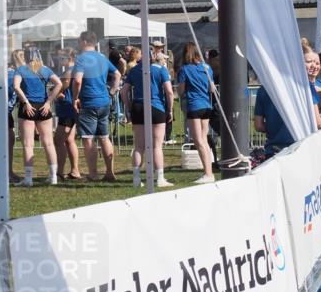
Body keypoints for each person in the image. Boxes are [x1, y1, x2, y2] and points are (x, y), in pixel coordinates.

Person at [122, 49, 175, 188]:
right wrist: (170, 109)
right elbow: (169, 91)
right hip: (156, 107)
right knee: (157, 146)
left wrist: (128, 108)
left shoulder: (134, 70)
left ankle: (136, 178)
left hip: (138, 107)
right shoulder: (161, 69)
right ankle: (160, 178)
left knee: (139, 146)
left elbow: (123, 91)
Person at [72, 31, 119, 182]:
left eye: (79, 41)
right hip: (104, 101)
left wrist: (75, 98)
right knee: (105, 138)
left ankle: (93, 173)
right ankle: (110, 172)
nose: (78, 43)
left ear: (85, 41)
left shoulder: (81, 59)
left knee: (88, 139)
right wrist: (112, 91)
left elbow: (78, 81)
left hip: (88, 102)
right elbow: (117, 73)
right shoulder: (102, 57)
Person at [11, 49, 63, 186]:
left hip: (28, 107)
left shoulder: (21, 69)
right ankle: (53, 177)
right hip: (43, 107)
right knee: (49, 143)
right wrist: (48, 102)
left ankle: (28, 179)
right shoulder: (45, 69)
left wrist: (26, 102)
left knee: (28, 145)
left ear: (26, 57)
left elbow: (16, 87)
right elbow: (59, 84)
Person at [176, 42, 215, 184]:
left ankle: (208, 173)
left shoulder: (184, 70)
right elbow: (211, 89)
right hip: (206, 105)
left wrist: (184, 92)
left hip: (194, 106)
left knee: (198, 140)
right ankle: (208, 171)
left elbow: (180, 91)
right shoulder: (207, 68)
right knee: (204, 139)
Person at [53, 55, 82, 181]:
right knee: (70, 141)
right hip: (70, 109)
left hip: (67, 110)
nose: (59, 58)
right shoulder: (75, 70)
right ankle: (75, 171)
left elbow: (60, 87)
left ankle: (59, 172)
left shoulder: (69, 71)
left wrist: (53, 93)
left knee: (58, 141)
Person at [253, 85, 294, 159]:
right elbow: (318, 122)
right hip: (298, 148)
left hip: (273, 150)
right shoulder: (301, 86)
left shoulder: (263, 90)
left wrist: (273, 125)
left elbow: (258, 125)